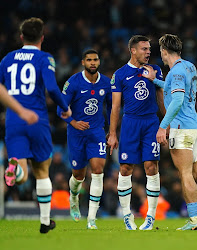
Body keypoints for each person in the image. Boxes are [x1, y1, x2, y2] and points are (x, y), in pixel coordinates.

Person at [142, 34, 197, 230]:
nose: (162, 56)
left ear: (165, 51)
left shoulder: (175, 72)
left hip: (181, 129)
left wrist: (162, 126)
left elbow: (176, 101)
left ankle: (194, 220)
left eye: (161, 53)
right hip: (196, 127)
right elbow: (175, 89)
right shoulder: (189, 67)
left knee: (185, 174)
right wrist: (155, 81)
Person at [0, 17, 71, 233]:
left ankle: (16, 171)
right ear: (42, 37)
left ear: (21, 37)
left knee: (21, 173)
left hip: (13, 119)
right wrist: (65, 107)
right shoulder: (44, 58)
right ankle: (44, 220)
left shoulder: (7, 59)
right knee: (42, 170)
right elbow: (51, 87)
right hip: (37, 119)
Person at [107, 35, 164, 230]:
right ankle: (127, 216)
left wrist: (166, 124)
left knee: (151, 167)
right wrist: (112, 133)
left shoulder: (155, 70)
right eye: (144, 49)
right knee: (125, 169)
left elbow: (161, 97)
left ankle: (150, 217)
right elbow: (115, 107)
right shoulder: (120, 74)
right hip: (130, 123)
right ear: (132, 50)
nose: (148, 52)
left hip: (151, 122)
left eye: (149, 49)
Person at [57, 49, 112, 229]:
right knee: (78, 176)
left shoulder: (106, 82)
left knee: (97, 171)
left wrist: (111, 131)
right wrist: (73, 122)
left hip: (97, 132)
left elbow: (113, 108)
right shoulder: (73, 82)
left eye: (95, 59)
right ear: (83, 62)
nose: (93, 63)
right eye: (89, 60)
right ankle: (73, 197)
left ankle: (91, 219)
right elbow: (60, 110)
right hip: (76, 134)